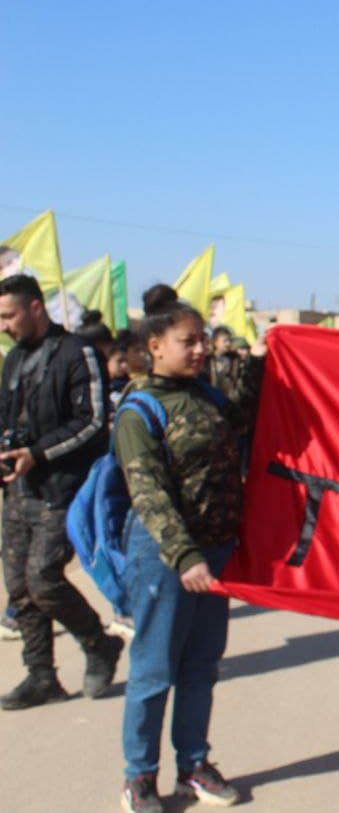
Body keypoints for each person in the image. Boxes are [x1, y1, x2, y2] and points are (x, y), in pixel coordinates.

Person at [116, 285, 265, 811]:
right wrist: (185, 557)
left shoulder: (204, 395)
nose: (201, 349)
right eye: (189, 341)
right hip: (167, 558)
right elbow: (149, 494)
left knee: (201, 666)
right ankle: (139, 776)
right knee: (155, 671)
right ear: (155, 345)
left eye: (203, 339)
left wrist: (259, 363)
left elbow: (242, 419)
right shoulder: (140, 410)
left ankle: (194, 765)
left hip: (214, 553)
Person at [0, 274, 123, 709]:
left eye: (9, 315)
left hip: (62, 488)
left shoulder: (78, 353)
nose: (4, 326)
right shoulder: (14, 359)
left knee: (44, 580)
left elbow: (92, 422)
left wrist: (38, 453)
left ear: (35, 308)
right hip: (19, 490)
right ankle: (41, 676)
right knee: (19, 587)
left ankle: (98, 643)